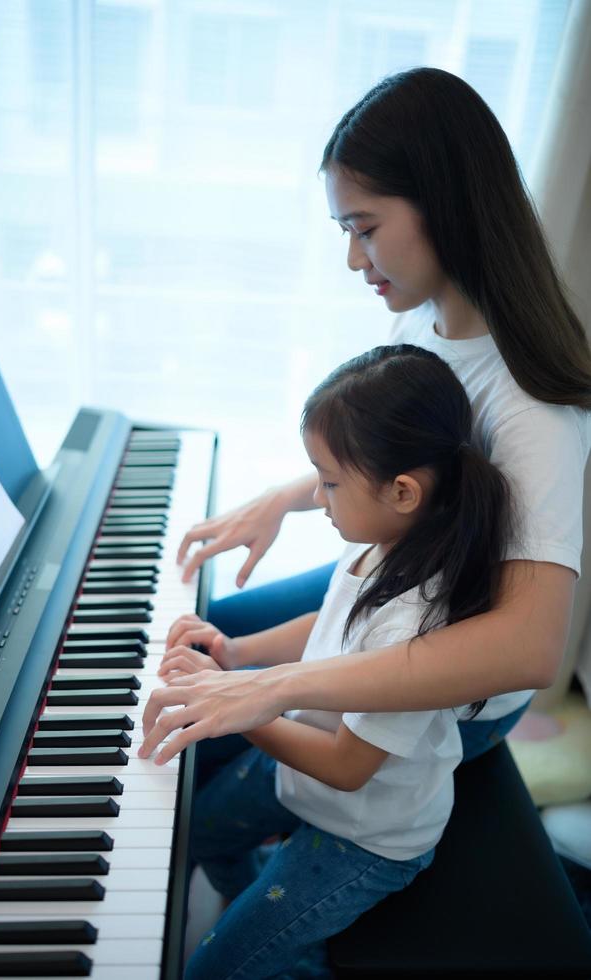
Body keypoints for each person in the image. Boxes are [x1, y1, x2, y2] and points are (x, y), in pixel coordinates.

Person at [140, 66, 591, 767]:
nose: (354, 259)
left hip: (453, 693)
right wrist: (286, 499)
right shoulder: (426, 320)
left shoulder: (534, 406)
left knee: (222, 715)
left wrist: (275, 688)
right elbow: (395, 449)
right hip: (398, 591)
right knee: (194, 643)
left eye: (365, 228)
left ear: (445, 204)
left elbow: (529, 649)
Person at [151, 344, 513, 979]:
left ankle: (288, 947)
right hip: (308, 768)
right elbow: (329, 624)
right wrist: (238, 654)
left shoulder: (420, 620)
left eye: (329, 480)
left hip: (364, 835)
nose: (316, 497)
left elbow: (349, 767)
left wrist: (239, 702)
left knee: (221, 967)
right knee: (202, 831)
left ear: (402, 491)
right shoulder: (378, 541)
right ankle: (259, 903)